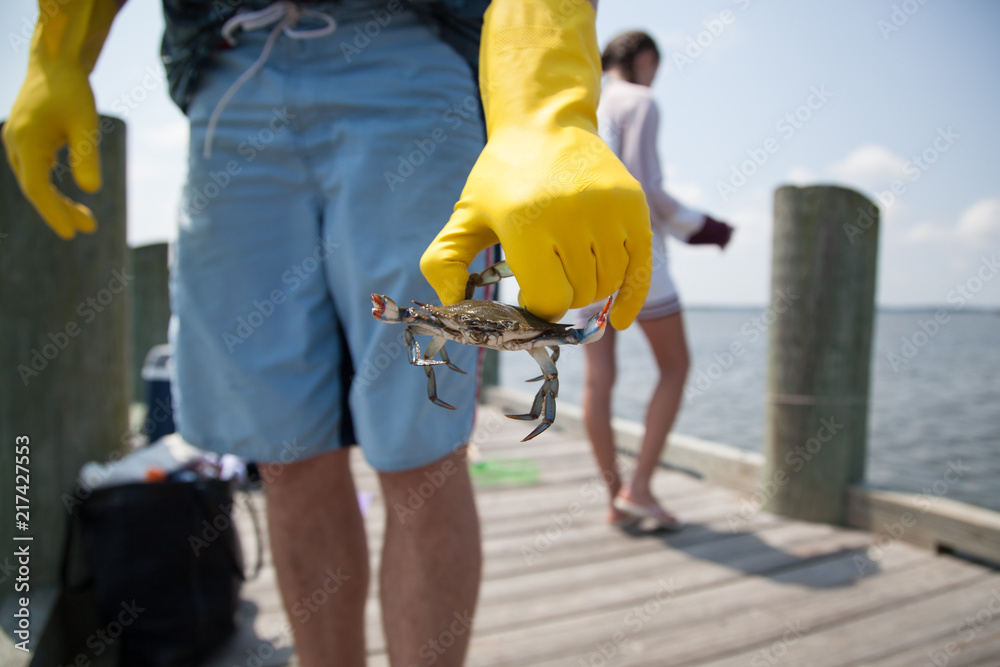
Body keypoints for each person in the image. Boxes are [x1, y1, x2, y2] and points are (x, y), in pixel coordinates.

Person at [3, 0, 654, 664]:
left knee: (423, 454)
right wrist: (56, 54)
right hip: (229, 75)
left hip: (412, 58)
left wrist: (543, 106)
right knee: (284, 454)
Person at [580, 30, 733, 531]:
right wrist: (704, 227)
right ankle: (639, 488)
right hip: (632, 251)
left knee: (598, 380)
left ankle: (615, 497)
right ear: (646, 60)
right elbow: (645, 187)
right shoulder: (639, 100)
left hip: (579, 255)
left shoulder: (579, 97)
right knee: (675, 366)